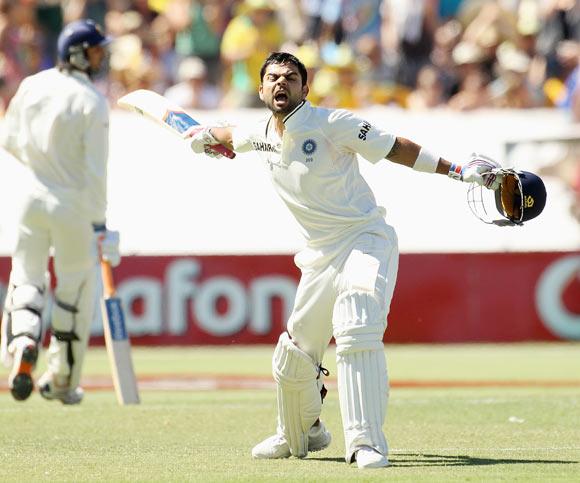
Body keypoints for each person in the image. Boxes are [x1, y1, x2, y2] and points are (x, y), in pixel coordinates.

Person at [186, 52, 503, 469]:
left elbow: (396, 148)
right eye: (273, 78)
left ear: (305, 86)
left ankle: (365, 442)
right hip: (318, 254)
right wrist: (205, 138)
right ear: (260, 88)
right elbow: (227, 135)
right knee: (296, 353)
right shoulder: (257, 131)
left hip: (364, 238)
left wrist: (460, 170)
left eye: (291, 78)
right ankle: (302, 432)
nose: (282, 84)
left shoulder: (333, 123)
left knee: (356, 325)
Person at [0, 19, 120, 404]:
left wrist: (42, 168)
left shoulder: (32, 84)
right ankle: (62, 379)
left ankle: (21, 344)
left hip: (31, 198)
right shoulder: (91, 101)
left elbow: (9, 139)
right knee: (73, 292)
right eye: (96, 51)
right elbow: (96, 172)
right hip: (73, 207)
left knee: (27, 279)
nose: (101, 58)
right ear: (77, 54)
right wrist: (100, 222)